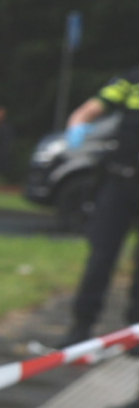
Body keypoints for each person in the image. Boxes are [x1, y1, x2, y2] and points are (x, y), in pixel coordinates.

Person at [60, 63, 139, 352]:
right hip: (119, 181)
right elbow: (88, 110)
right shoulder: (131, 81)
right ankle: (80, 329)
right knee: (101, 255)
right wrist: (77, 126)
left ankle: (136, 333)